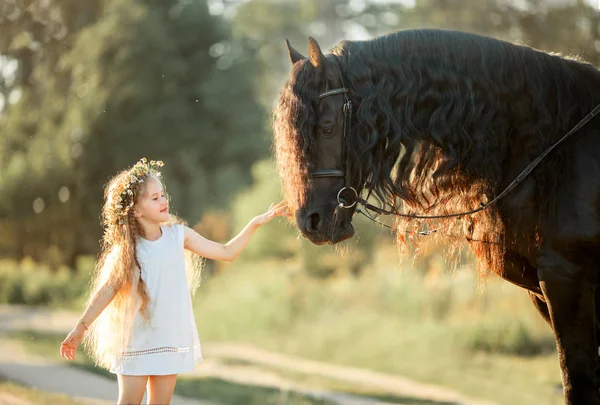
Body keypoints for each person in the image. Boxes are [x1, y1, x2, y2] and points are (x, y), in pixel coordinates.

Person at [59, 158, 288, 405]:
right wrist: (82, 327)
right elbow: (107, 290)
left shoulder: (179, 236)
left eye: (163, 194)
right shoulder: (127, 251)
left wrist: (254, 223)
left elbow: (227, 252)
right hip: (136, 341)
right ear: (136, 210)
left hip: (169, 339)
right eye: (154, 198)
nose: (164, 200)